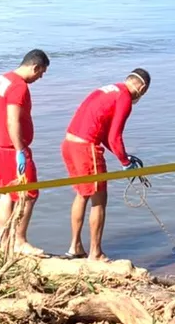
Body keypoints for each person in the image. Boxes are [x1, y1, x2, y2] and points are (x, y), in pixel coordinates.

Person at [61, 69, 150, 262]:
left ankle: (75, 246)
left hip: (69, 144)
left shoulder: (108, 90)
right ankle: (96, 252)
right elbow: (114, 136)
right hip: (86, 147)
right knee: (99, 199)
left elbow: (105, 135)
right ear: (142, 88)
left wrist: (124, 157)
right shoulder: (125, 98)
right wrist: (126, 163)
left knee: (81, 194)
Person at [0, 48, 50, 257]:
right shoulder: (18, 87)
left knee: (7, 194)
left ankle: (4, 242)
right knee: (29, 194)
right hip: (10, 150)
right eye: (40, 74)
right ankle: (20, 241)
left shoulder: (2, 79)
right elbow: (12, 119)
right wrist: (20, 150)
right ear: (35, 67)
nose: (39, 78)